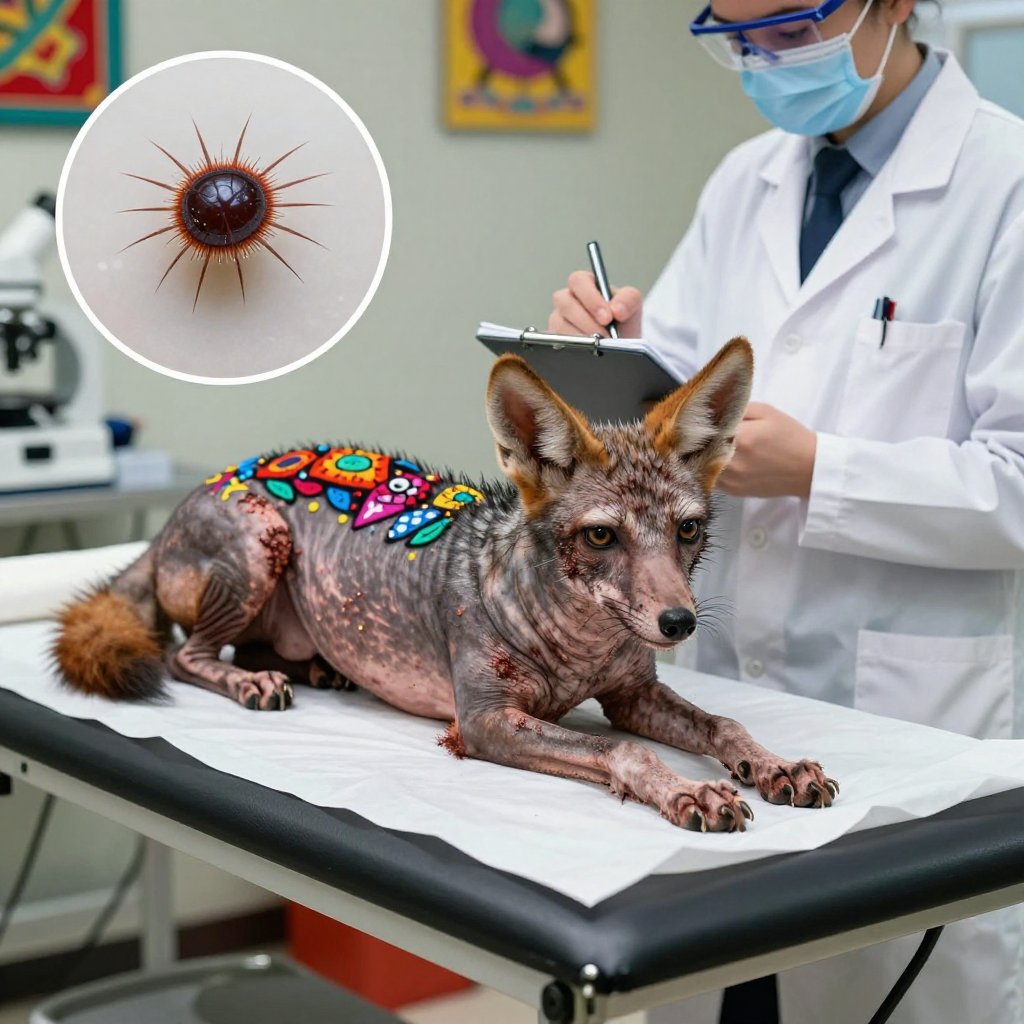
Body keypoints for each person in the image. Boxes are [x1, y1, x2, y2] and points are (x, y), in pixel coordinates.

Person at [548, 2, 1024, 1023]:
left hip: (899, 711)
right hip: (722, 691)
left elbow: (1016, 479)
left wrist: (823, 471)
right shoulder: (746, 181)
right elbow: (667, 405)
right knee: (724, 988)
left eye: (790, 28)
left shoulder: (1006, 184)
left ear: (893, 5)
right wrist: (610, 355)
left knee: (874, 980)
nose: (763, 60)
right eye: (737, 36)